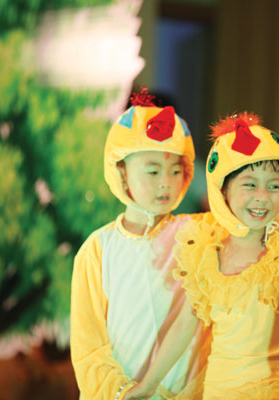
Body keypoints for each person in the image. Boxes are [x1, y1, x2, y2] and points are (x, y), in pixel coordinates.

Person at [128, 112, 279, 399]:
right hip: (217, 391)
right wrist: (148, 384)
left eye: (274, 186)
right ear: (223, 190)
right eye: (250, 184)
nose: (262, 196)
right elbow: (184, 325)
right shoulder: (207, 253)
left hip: (273, 392)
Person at [70, 90, 206, 400]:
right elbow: (89, 346)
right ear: (121, 171)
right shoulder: (98, 249)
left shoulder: (198, 235)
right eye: (153, 170)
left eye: (175, 171)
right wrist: (123, 392)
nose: (166, 182)